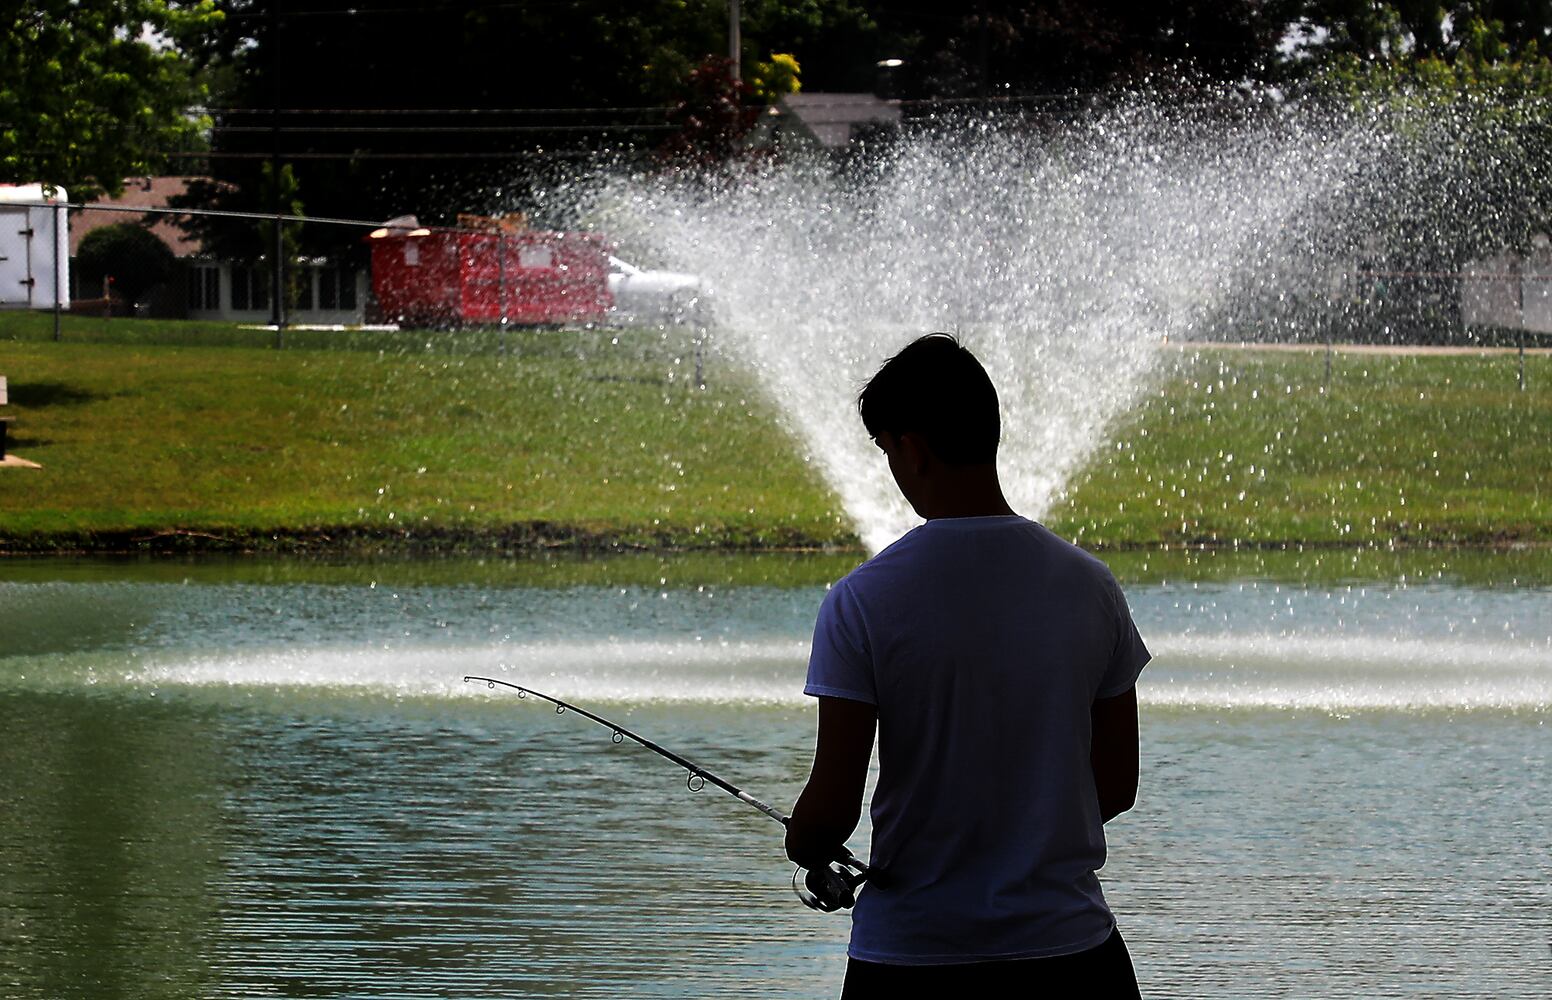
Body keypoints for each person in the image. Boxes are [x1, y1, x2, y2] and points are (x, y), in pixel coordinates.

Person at [785, 333, 1149, 997]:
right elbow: (1117, 784)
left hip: (913, 958)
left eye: (889, 451)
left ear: (913, 450)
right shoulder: (1091, 587)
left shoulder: (860, 601)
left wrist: (806, 845)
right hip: (1074, 954)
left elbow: (831, 811)